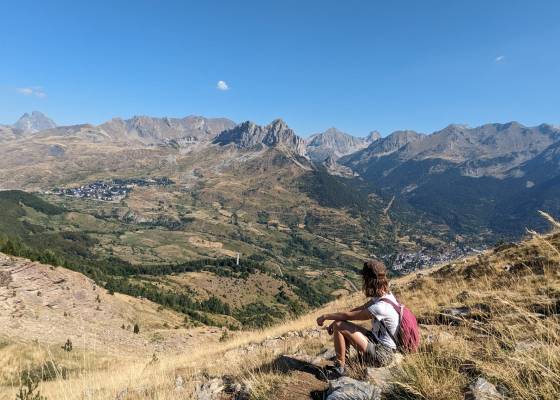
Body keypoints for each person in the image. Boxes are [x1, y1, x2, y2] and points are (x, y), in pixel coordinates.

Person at [316, 259, 398, 377]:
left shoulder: (381, 307)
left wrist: (325, 317)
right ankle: (344, 364)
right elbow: (359, 309)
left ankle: (340, 370)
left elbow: (350, 316)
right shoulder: (385, 296)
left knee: (339, 326)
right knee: (339, 323)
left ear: (369, 281)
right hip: (376, 340)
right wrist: (334, 320)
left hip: (383, 353)